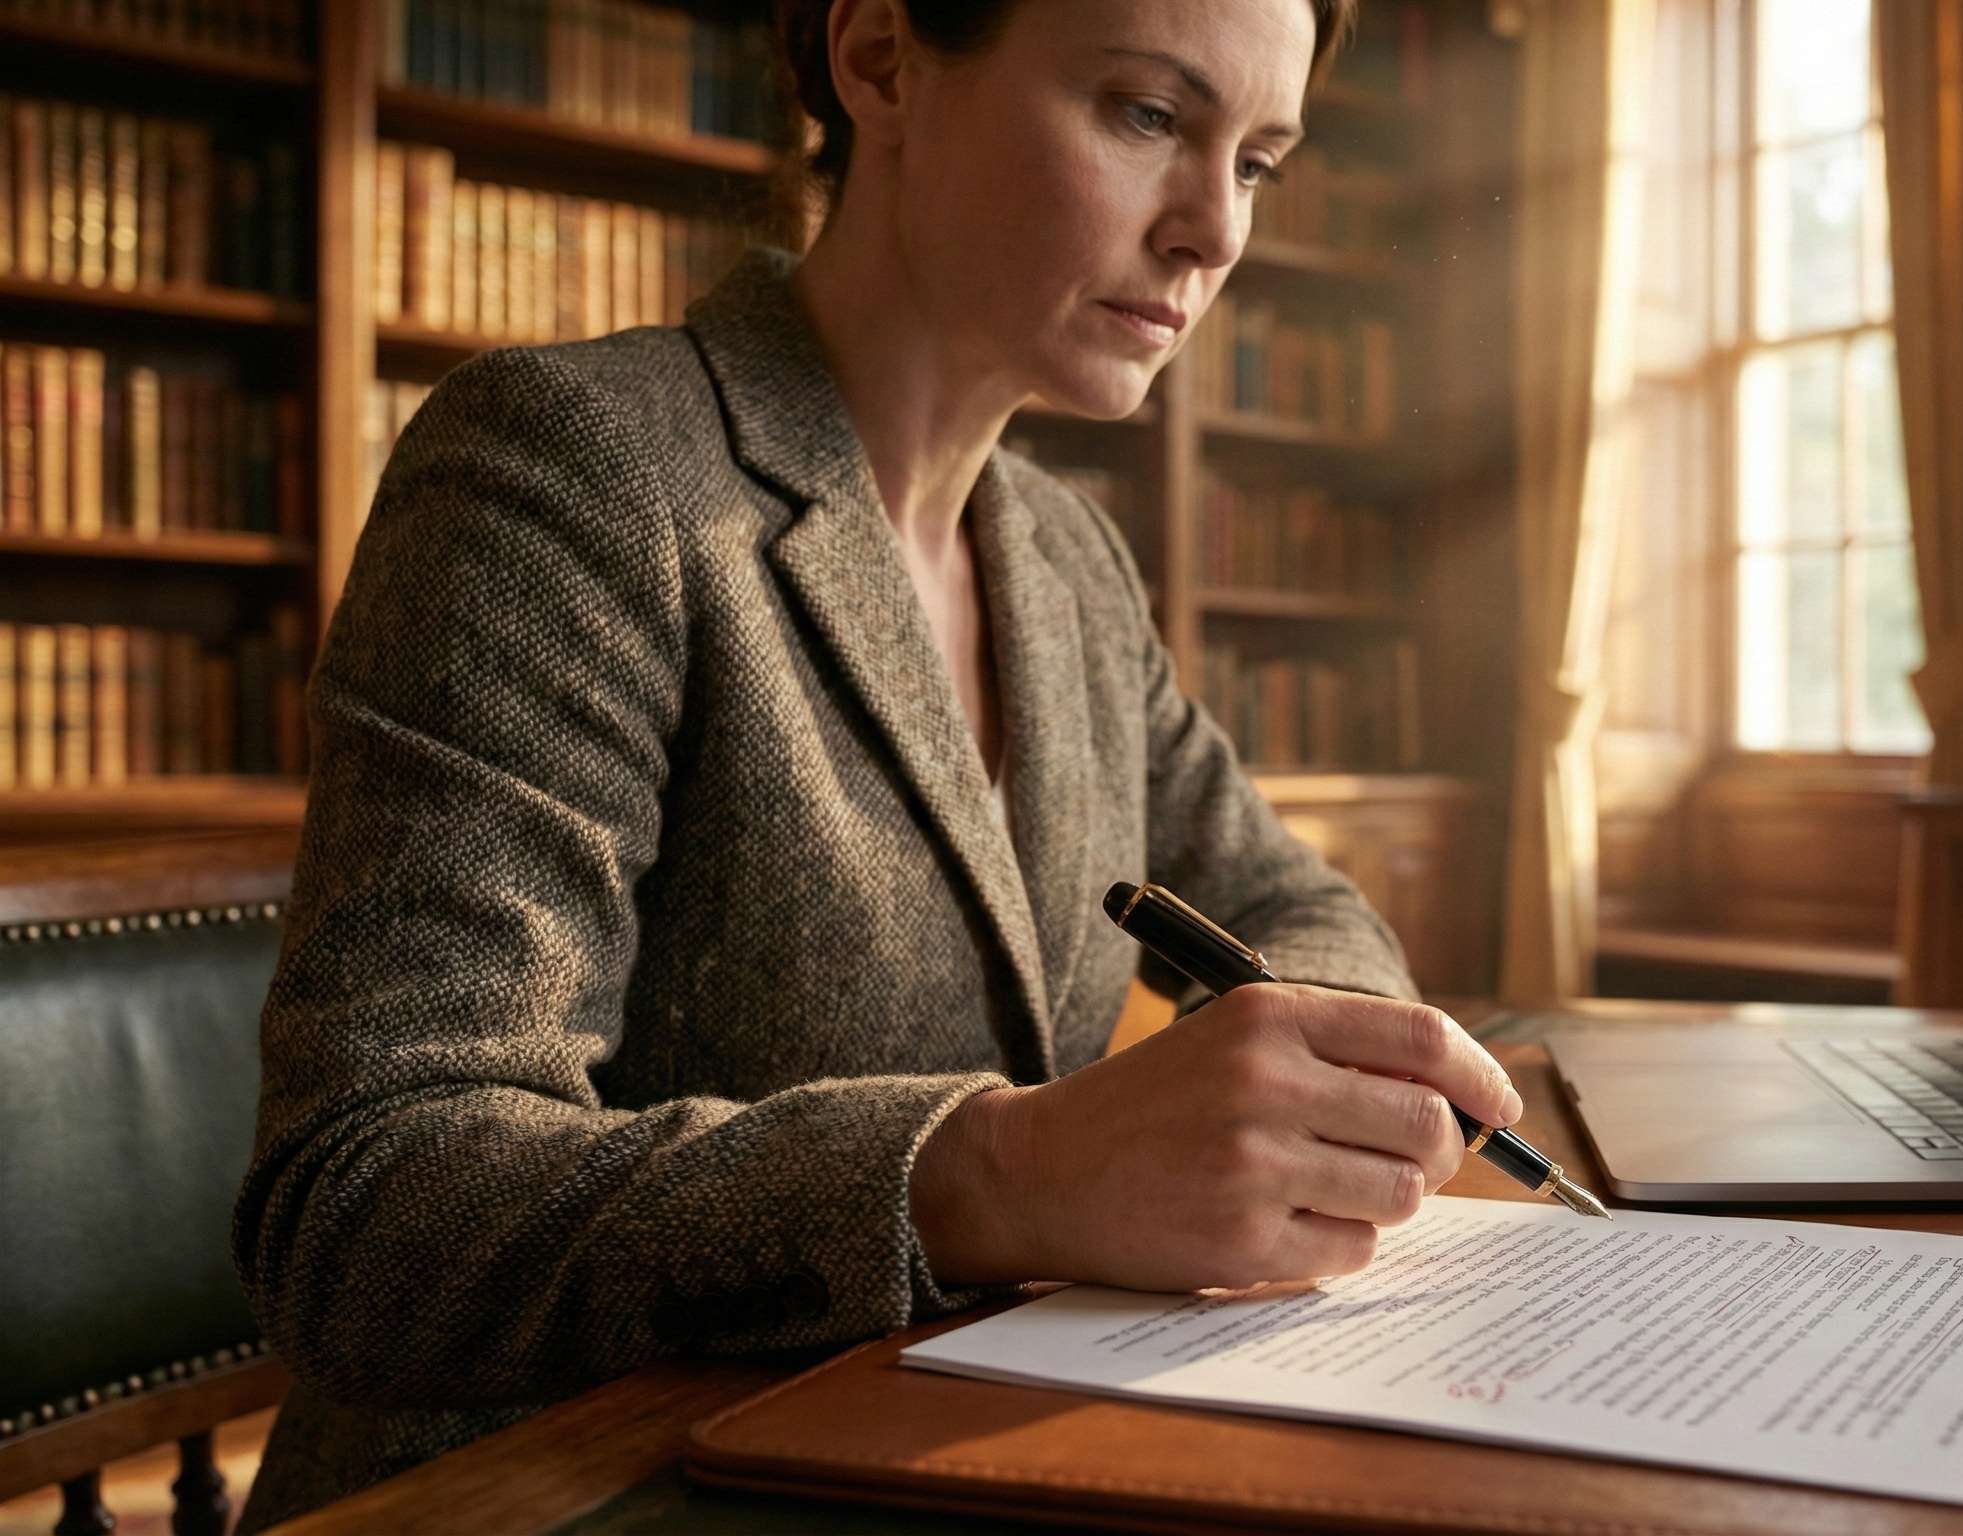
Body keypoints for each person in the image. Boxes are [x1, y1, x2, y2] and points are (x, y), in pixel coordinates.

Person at [229, 0, 1520, 1524]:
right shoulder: (574, 469)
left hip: (938, 1459)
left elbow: (1298, 908)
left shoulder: (1067, 559)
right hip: (556, 1496)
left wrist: (1304, 1078)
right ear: (883, 58)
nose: (1210, 233)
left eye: (1260, 162)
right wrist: (995, 1173)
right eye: (1148, 117)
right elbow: (372, 1212)